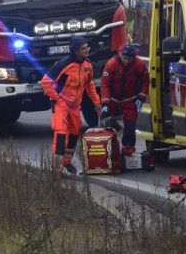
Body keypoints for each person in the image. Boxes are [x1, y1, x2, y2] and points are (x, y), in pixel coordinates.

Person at [41, 35, 102, 173]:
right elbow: (45, 82)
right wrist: (57, 98)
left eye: (87, 47)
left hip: (74, 105)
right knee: (61, 132)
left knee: (74, 132)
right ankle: (56, 169)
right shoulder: (63, 65)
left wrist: (97, 102)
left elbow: (89, 85)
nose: (87, 50)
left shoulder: (87, 65)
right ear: (76, 51)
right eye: (83, 48)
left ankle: (67, 162)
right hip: (61, 104)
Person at [100, 43, 149, 165]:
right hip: (112, 100)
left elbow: (145, 81)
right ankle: (107, 153)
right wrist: (105, 102)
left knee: (130, 125)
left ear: (133, 57)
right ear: (121, 55)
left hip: (129, 100)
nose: (126, 61)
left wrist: (141, 97)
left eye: (129, 59)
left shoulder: (139, 65)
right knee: (107, 126)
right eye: (124, 58)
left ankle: (128, 150)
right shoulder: (112, 64)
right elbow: (105, 84)